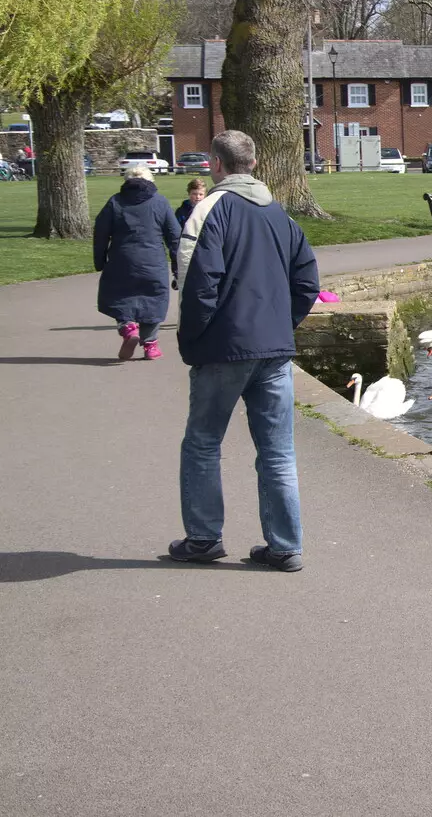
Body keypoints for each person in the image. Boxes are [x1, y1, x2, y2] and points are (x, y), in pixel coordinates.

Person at [169, 130, 320, 572]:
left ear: (216, 163)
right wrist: (280, 324)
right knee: (277, 451)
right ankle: (284, 546)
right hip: (273, 350)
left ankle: (203, 538)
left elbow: (199, 284)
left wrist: (191, 341)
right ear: (253, 164)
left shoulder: (209, 210)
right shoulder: (280, 216)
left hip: (222, 348)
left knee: (202, 443)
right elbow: (307, 282)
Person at [94, 166, 181, 361]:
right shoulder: (160, 202)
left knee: (118, 295)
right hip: (153, 261)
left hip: (121, 260)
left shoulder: (115, 202)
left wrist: (99, 261)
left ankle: (128, 327)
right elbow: (174, 236)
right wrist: (177, 267)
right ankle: (150, 344)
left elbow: (100, 232)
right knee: (154, 299)